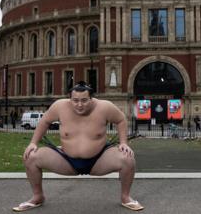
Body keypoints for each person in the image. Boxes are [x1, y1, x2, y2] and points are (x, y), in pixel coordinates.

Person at [12, 82, 143, 212]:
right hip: (66, 160)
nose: (79, 105)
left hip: (99, 160)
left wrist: (123, 143)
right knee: (31, 157)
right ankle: (37, 196)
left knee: (128, 159)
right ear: (70, 99)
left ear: (91, 99)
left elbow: (121, 120)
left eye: (84, 100)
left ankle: (126, 197)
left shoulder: (105, 107)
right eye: (75, 100)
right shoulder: (59, 106)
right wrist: (33, 143)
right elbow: (45, 121)